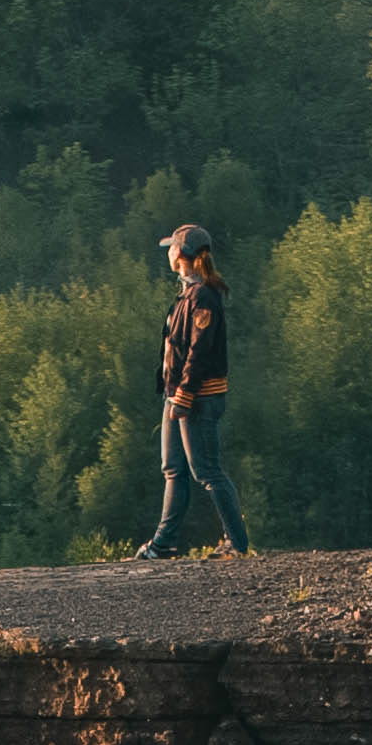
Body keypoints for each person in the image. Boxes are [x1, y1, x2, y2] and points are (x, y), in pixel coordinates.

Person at [133, 222, 252, 559]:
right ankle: (163, 543)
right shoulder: (189, 294)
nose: (168, 252)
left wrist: (184, 396)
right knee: (174, 469)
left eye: (172, 247)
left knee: (207, 471)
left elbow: (198, 352)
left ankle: (237, 543)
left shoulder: (203, 297)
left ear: (181, 255)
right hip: (178, 395)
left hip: (197, 397)